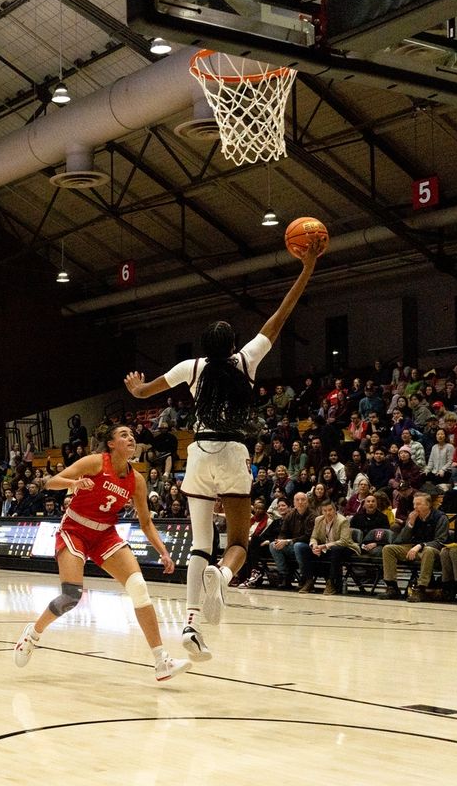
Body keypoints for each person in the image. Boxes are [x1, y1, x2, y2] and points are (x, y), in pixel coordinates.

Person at [125, 238, 320, 661]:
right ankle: (224, 576)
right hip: (233, 453)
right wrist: (306, 268)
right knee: (239, 543)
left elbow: (144, 391)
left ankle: (191, 625)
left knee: (199, 542)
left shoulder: (190, 368)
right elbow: (280, 316)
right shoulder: (247, 360)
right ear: (233, 345)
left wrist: (137, 388)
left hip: (197, 455)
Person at [13, 424, 191, 682]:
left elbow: (146, 522)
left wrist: (163, 551)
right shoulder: (96, 462)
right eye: (124, 435)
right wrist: (75, 483)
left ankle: (161, 660)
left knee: (139, 586)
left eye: (132, 435)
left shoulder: (137, 480)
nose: (130, 438)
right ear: (111, 443)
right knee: (71, 596)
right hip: (74, 529)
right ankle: (33, 634)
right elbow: (52, 482)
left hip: (105, 535)